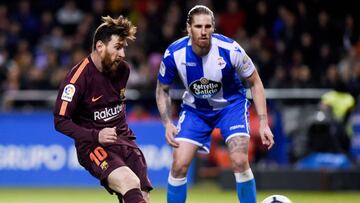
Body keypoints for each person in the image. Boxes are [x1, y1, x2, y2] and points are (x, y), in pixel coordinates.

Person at [155, 5, 274, 203]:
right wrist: (167, 123)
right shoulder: (174, 53)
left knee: (238, 160)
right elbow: (162, 89)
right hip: (195, 111)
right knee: (178, 165)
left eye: (208, 26)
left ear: (213, 28)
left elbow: (255, 82)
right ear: (188, 28)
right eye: (198, 26)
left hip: (231, 107)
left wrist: (263, 122)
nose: (203, 31)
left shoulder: (230, 49)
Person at [54, 15, 152, 203]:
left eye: (124, 47)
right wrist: (95, 136)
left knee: (141, 196)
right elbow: (60, 121)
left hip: (124, 140)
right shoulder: (76, 80)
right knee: (128, 181)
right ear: (100, 46)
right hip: (93, 145)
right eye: (117, 47)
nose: (123, 54)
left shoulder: (123, 70)